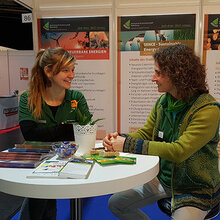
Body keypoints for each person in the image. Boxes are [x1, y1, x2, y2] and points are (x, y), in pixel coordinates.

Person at [103, 44, 220, 220]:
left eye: (158, 73)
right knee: (116, 203)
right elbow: (146, 133)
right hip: (164, 180)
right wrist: (119, 138)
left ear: (178, 75)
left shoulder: (208, 110)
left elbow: (179, 151)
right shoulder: (163, 103)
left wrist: (127, 144)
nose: (153, 78)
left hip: (196, 189)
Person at [18, 47, 92, 220]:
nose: (72, 75)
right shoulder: (28, 98)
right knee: (41, 201)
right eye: (65, 70)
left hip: (70, 161)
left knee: (46, 203)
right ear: (48, 71)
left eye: (73, 70)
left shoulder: (76, 98)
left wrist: (52, 133)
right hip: (38, 165)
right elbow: (30, 134)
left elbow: (85, 131)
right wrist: (66, 129)